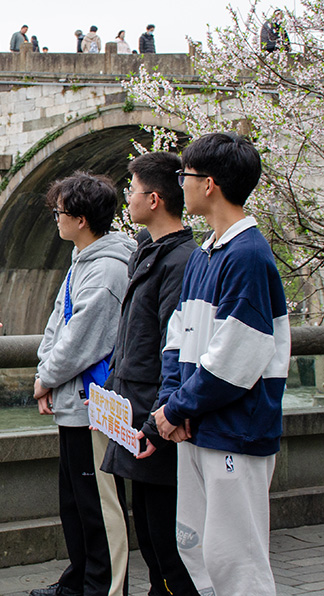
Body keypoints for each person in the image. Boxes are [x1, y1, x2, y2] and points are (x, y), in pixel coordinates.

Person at [152, 133, 289, 596]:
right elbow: (178, 338)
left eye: (184, 176)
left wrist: (176, 410)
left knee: (236, 558)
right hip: (197, 425)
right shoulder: (205, 253)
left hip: (235, 428)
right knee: (196, 547)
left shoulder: (248, 255)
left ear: (208, 184)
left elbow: (239, 354)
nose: (180, 185)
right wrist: (174, 405)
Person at [30, 172, 135, 596]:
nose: (55, 219)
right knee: (75, 502)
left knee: (99, 503)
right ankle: (79, 582)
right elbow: (59, 325)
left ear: (81, 218)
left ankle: (105, 588)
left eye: (60, 212)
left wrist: (46, 378)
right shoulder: (82, 260)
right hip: (74, 400)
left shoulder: (107, 269)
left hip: (97, 407)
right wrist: (46, 375)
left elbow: (83, 337)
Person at [99, 153, 200, 596]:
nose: (127, 197)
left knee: (167, 537)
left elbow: (173, 349)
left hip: (156, 417)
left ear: (154, 198)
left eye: (132, 190)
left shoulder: (180, 261)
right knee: (152, 535)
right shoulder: (148, 248)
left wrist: (160, 418)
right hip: (133, 407)